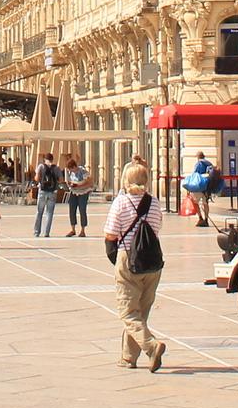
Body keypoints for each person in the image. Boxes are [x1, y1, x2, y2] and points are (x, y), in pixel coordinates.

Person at [103, 168, 167, 372]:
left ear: (125, 181)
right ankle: (128, 357)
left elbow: (111, 234)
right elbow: (156, 229)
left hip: (128, 259)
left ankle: (151, 346)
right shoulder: (155, 203)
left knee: (128, 313)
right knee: (141, 312)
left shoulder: (121, 202)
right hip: (152, 262)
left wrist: (115, 258)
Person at [183, 152, 218, 227]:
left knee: (195, 202)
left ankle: (200, 218)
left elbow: (195, 174)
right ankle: (206, 219)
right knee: (205, 203)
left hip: (198, 186)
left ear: (198, 157)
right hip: (207, 187)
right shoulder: (209, 164)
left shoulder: (198, 164)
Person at [31, 152, 61, 239]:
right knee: (49, 212)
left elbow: (36, 179)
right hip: (52, 192)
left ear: (45, 159)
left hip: (42, 191)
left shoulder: (41, 166)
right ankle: (46, 232)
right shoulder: (57, 168)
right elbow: (61, 179)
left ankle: (37, 232)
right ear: (52, 159)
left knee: (39, 212)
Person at [63, 156, 92, 237]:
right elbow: (68, 181)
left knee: (82, 210)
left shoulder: (83, 171)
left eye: (71, 169)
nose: (71, 171)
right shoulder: (69, 172)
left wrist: (78, 184)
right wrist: (70, 184)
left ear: (75, 167)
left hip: (83, 193)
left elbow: (88, 182)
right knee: (72, 210)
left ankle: (83, 230)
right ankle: (73, 229)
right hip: (73, 192)